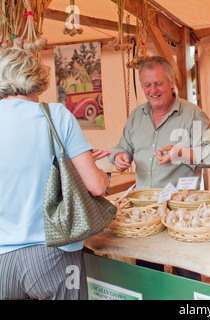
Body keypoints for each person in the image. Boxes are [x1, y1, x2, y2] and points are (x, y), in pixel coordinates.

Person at [0, 47, 110, 300]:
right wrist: (100, 174)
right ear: (34, 79)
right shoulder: (55, 115)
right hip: (53, 254)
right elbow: (94, 186)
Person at [109, 55, 210, 280]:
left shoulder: (192, 115)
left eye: (158, 83)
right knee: (148, 276)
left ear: (171, 83)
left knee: (185, 275)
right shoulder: (136, 117)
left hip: (182, 213)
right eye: (147, 85)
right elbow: (122, 146)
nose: (153, 90)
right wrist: (120, 156)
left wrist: (180, 153)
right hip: (144, 213)